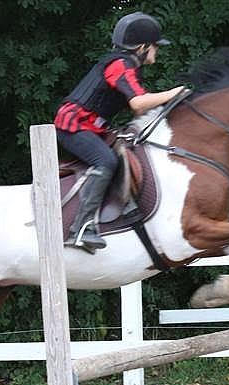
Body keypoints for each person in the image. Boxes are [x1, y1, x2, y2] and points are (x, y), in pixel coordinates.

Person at [55, 11, 184, 253]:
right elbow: (138, 104)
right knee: (106, 161)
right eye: (155, 46)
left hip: (92, 126)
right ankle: (80, 228)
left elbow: (138, 109)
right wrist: (174, 93)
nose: (157, 51)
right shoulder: (119, 65)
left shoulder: (128, 66)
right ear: (143, 47)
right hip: (74, 125)